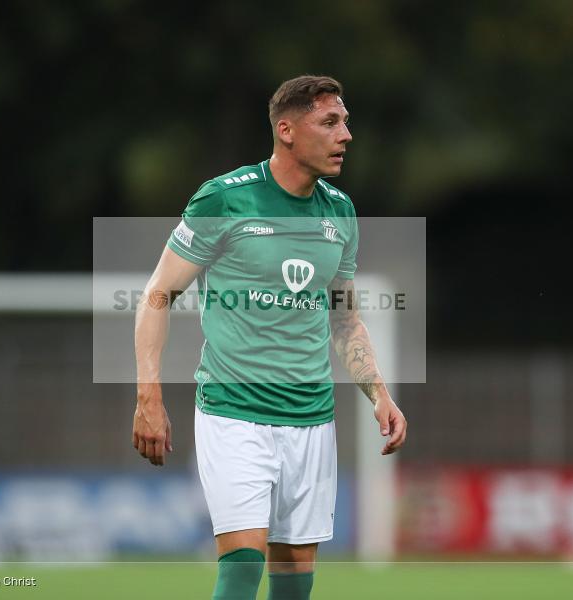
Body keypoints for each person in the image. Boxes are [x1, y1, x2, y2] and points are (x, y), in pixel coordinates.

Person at [133, 75, 406, 600]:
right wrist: (148, 393)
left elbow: (344, 318)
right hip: (234, 413)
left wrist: (379, 392)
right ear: (286, 130)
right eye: (330, 122)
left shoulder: (340, 212)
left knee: (294, 582)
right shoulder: (225, 200)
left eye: (345, 121)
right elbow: (157, 295)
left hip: (310, 420)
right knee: (241, 564)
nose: (346, 134)